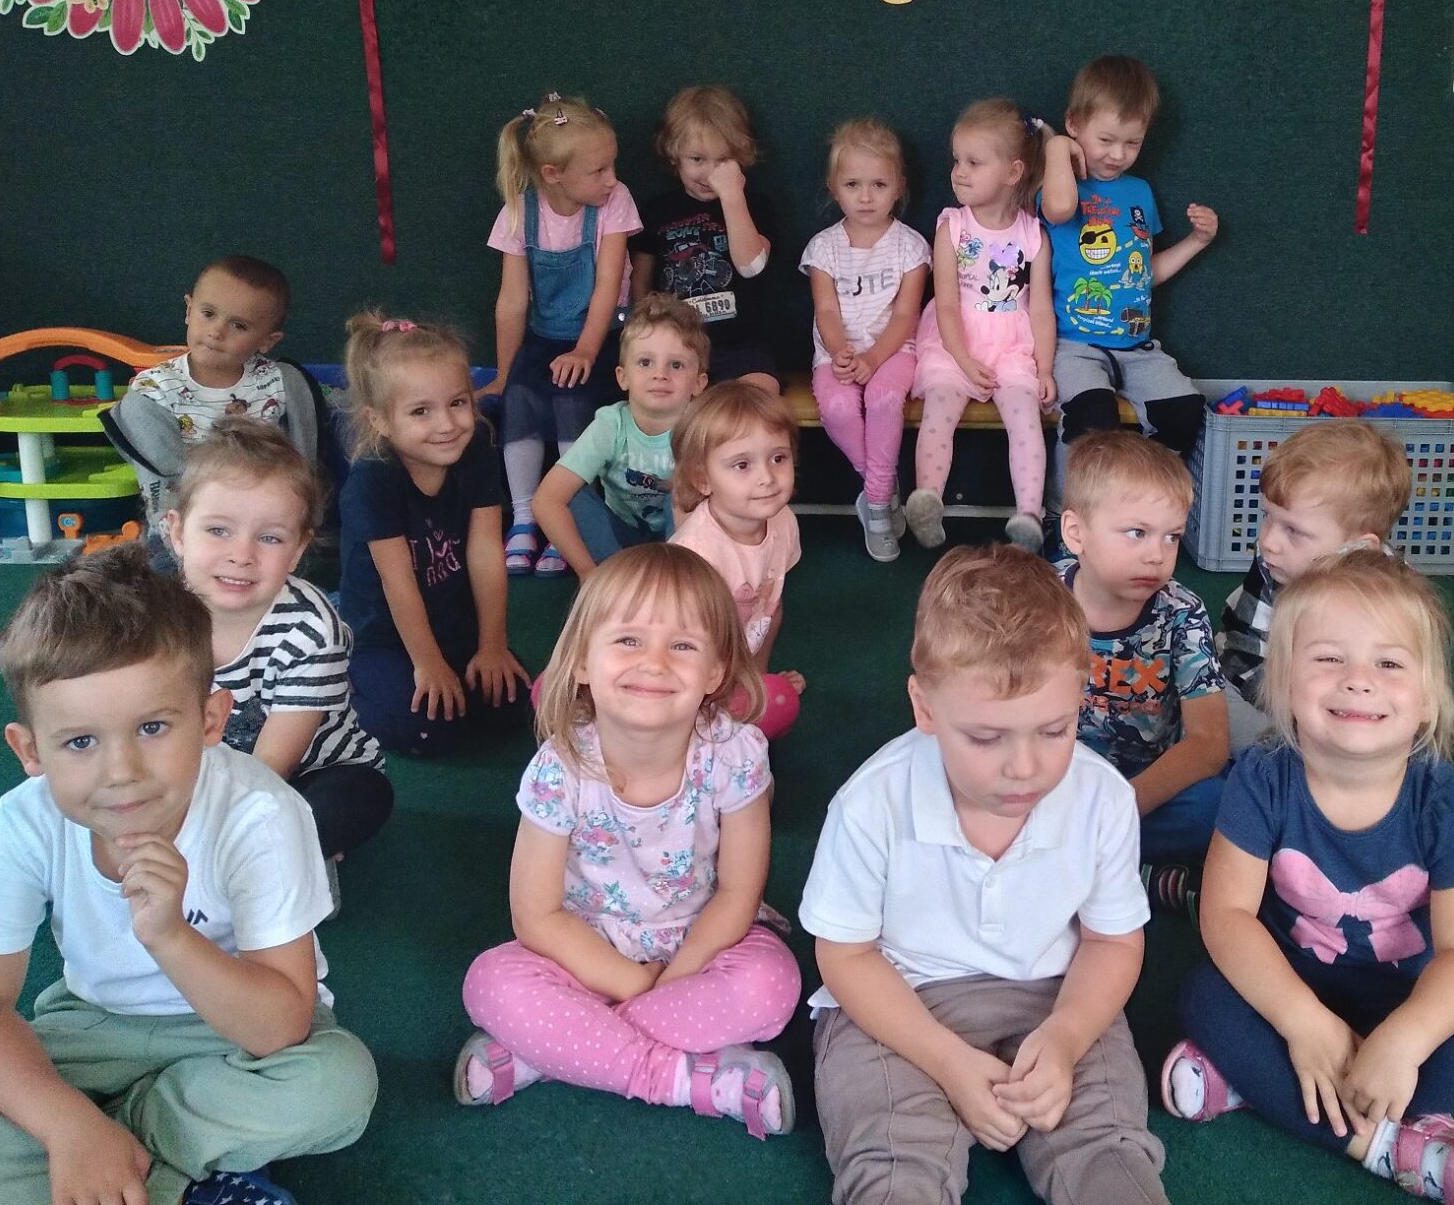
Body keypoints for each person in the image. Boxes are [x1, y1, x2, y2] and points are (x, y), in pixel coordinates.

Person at [0, 546, 375, 1205]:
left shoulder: (263, 813)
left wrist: (170, 936)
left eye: (153, 727)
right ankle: (171, 1181)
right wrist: (68, 1127)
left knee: (338, 1085)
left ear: (211, 720)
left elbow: (279, 1026)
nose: (122, 773)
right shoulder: (25, 820)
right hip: (91, 1026)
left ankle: (108, 1168)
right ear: (30, 750)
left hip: (230, 1041)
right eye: (81, 742)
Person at [801, 545, 1169, 1205]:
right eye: (986, 738)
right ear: (924, 707)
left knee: (1106, 1146)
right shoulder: (870, 804)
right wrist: (945, 1059)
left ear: (1079, 697)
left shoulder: (1104, 799)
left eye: (1053, 731)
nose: (1024, 768)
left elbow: (1112, 941)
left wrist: (1066, 1037)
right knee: (894, 1155)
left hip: (1053, 996)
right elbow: (846, 955)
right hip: (902, 1001)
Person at [1165, 549, 1454, 1205]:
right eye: (1329, 658)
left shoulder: (1446, 804)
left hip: (1400, 1001)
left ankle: (1256, 1085)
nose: (1358, 681)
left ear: (1427, 700)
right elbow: (1226, 915)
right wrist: (1303, 1021)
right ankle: (1389, 1147)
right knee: (1203, 994)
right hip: (1286, 984)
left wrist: (1404, 1042)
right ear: (1282, 683)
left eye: (1389, 664)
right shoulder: (1262, 777)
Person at [455, 545, 800, 1136]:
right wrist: (637, 985)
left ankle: (556, 1052)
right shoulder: (560, 767)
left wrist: (675, 977)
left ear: (716, 672)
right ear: (582, 662)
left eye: (683, 646)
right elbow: (536, 916)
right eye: (629, 640)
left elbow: (738, 895)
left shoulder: (736, 753)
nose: (654, 663)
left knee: (772, 984)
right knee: (491, 983)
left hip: (700, 945)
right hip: (585, 951)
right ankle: (686, 1079)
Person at [165, 421, 393, 881]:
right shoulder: (156, 613)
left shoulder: (312, 631)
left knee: (360, 797)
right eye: (218, 530)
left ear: (298, 548)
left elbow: (272, 765)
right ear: (178, 532)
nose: (242, 554)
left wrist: (207, 830)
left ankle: (282, 865)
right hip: (200, 765)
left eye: (270, 538)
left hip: (311, 771)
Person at [336, 313, 529, 757]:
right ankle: (343, 688)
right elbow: (397, 581)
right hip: (384, 638)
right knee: (431, 732)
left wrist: (492, 645)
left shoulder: (475, 448)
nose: (447, 425)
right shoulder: (373, 481)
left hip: (455, 624)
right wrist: (428, 664)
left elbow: (485, 550)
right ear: (380, 421)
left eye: (458, 402)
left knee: (511, 706)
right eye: (421, 411)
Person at [1056, 431, 1230, 889]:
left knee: (1222, 803)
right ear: (1076, 533)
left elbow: (1210, 743)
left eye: (1172, 537)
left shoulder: (1183, 612)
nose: (1157, 555)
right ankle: (1130, 875)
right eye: (1137, 533)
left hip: (1144, 789)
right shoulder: (1037, 599)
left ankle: (1076, 862)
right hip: (1050, 780)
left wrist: (1121, 808)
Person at [482, 92, 640, 578]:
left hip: (604, 333)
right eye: (598, 170)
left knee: (573, 397)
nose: (611, 178)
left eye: (612, 165)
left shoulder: (614, 202)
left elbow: (608, 286)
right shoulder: (518, 212)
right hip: (546, 334)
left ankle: (566, 515)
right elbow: (512, 302)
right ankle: (525, 516)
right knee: (521, 396)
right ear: (553, 174)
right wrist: (503, 375)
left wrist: (586, 350)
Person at [1038, 55, 1217, 459]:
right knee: (1093, 417)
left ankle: (1140, 486)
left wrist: (1197, 241)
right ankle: (1072, 500)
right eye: (1106, 140)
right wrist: (1057, 147)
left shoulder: (1140, 193)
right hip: (1073, 346)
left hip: (1137, 349)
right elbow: (1060, 210)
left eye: (1132, 143)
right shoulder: (1061, 185)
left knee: (1184, 410)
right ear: (1073, 124)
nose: (1117, 154)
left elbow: (1144, 273)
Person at [904, 100, 1057, 552]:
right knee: (939, 411)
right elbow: (947, 304)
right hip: (956, 342)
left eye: (974, 162)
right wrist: (964, 359)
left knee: (1025, 418)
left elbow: (1040, 309)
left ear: (1012, 172)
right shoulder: (952, 227)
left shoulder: (1033, 234)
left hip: (1012, 344)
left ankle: (1028, 515)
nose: (959, 172)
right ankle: (928, 498)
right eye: (957, 160)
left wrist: (1045, 368)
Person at [101, 255, 326, 555]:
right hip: (183, 532)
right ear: (188, 310)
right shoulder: (154, 392)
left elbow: (302, 463)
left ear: (267, 340)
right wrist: (184, 547)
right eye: (208, 313)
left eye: (238, 325)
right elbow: (164, 486)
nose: (216, 332)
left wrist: (298, 522)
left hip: (264, 526)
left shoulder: (281, 383)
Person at [1219, 420, 1413, 753]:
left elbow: (1403, 677)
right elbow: (1245, 653)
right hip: (1265, 682)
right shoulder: (1273, 562)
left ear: (1359, 549)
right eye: (1268, 516)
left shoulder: (1395, 597)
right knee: (1212, 708)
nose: (1268, 541)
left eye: (1294, 531)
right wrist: (1299, 719)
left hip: (1343, 696)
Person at [800, 118, 929, 562]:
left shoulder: (911, 247)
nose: (866, 196)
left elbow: (906, 315)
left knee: (883, 399)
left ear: (899, 187)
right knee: (837, 407)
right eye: (853, 184)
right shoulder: (823, 248)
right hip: (835, 352)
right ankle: (884, 486)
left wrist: (873, 359)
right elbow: (826, 311)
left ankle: (875, 508)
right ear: (834, 188)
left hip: (894, 351)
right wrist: (840, 352)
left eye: (879, 184)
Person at [533, 295, 709, 578]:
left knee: (693, 491)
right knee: (570, 495)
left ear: (699, 382)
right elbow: (546, 500)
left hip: (684, 542)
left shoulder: (703, 428)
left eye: (676, 365)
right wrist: (587, 572)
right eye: (645, 362)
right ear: (622, 376)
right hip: (621, 541)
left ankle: (680, 578)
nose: (660, 374)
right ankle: (611, 578)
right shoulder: (611, 425)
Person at [669, 384, 805, 741]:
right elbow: (679, 643)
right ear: (702, 479)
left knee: (769, 610)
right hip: (689, 658)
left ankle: (751, 683)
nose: (767, 477)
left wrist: (754, 680)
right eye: (742, 465)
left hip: (737, 645)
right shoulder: (698, 553)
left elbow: (770, 607)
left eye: (778, 458)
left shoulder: (784, 521)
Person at [630, 85, 780, 393]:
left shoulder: (755, 206)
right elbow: (640, 285)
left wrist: (732, 196)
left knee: (759, 394)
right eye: (697, 159)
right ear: (675, 156)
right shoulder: (657, 211)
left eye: (723, 160)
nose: (710, 172)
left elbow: (751, 266)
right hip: (676, 347)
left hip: (740, 347)